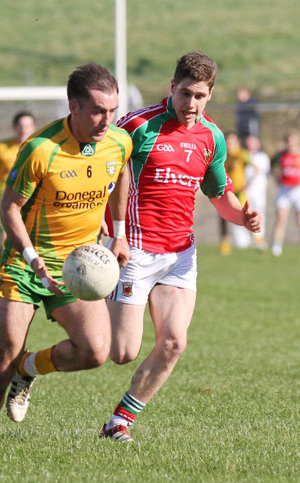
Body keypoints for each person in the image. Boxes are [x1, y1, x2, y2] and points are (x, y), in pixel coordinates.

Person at [0, 63, 133, 470]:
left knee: (94, 351)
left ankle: (30, 368)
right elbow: (9, 208)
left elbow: (121, 170)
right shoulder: (41, 148)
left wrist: (119, 231)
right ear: (73, 106)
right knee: (0, 361)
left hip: (77, 266)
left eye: (113, 110)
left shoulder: (118, 142)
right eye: (97, 111)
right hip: (25, 264)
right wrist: (33, 260)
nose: (107, 120)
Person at [98, 51, 261, 442]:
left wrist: (243, 218)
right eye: (185, 93)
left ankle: (119, 422)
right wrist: (108, 234)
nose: (191, 104)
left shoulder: (211, 137)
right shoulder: (137, 126)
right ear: (171, 87)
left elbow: (221, 195)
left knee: (174, 343)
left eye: (200, 96)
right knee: (121, 352)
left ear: (210, 96)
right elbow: (102, 181)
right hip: (133, 250)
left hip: (179, 256)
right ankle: (40, 357)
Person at [0, 111, 36, 295]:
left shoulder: (37, 148)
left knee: (22, 246)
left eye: (27, 126)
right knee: (5, 245)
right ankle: (0, 284)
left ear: (33, 128)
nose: (23, 129)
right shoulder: (2, 148)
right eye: (20, 125)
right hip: (5, 205)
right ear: (14, 127)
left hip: (30, 205)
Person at [219, 132, 251, 254]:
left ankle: (257, 239)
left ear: (237, 142)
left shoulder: (241, 155)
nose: (229, 144)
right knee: (222, 216)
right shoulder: (222, 156)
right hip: (225, 190)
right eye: (227, 141)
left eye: (231, 141)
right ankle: (225, 243)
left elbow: (256, 168)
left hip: (239, 191)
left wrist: (247, 184)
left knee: (244, 214)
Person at [245, 135, 271, 251]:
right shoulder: (243, 155)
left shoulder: (262, 157)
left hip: (258, 190)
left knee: (259, 213)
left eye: (251, 143)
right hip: (244, 190)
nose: (249, 145)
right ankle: (244, 241)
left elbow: (262, 172)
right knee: (245, 213)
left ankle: (259, 238)